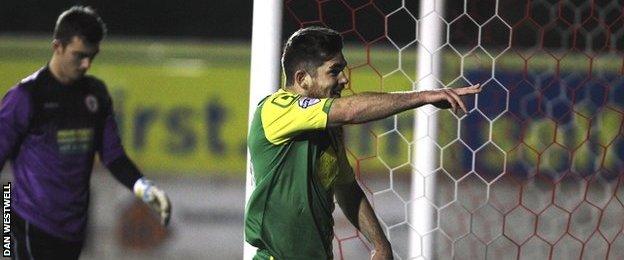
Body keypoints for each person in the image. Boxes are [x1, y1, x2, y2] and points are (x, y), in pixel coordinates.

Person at [245, 26, 482, 260]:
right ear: (302, 79)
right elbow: (350, 111)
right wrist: (423, 97)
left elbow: (346, 187)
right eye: (334, 71)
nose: (345, 79)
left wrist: (380, 244)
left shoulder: (328, 129)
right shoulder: (276, 109)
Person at [0, 6, 171, 259]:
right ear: (57, 46)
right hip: (27, 224)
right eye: (79, 55)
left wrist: (145, 188)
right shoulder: (26, 97)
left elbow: (113, 156)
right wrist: (5, 217)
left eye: (92, 56)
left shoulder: (95, 95)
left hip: (73, 230)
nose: (86, 64)